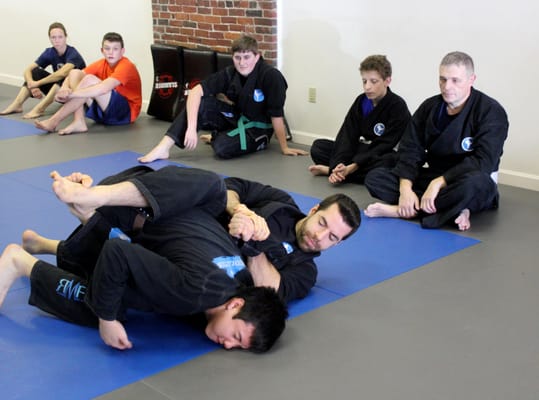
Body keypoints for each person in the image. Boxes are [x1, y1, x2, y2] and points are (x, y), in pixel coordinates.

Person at [0, 167, 288, 353]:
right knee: (110, 299)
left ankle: (44, 243)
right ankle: (19, 262)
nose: (227, 346)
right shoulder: (194, 291)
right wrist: (107, 318)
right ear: (236, 305)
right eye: (236, 337)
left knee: (141, 276)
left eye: (236, 346)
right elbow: (118, 252)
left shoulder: (241, 279)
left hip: (148, 196)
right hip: (129, 202)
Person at [31, 165, 361, 303]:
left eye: (333, 238)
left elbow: (271, 291)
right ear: (314, 210)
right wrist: (240, 210)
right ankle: (95, 199)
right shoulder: (283, 204)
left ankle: (87, 212)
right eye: (323, 225)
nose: (321, 238)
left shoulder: (306, 270)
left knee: (158, 203)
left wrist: (252, 241)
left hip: (199, 258)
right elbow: (235, 186)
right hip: (187, 217)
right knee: (206, 185)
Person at [364, 51, 509, 231]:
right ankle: (453, 209)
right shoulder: (430, 107)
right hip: (433, 176)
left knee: (478, 185)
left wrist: (439, 182)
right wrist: (406, 189)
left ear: (471, 80)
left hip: (466, 179)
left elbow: (484, 162)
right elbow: (411, 148)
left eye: (455, 80)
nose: (447, 86)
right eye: (442, 79)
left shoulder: (491, 111)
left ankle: (404, 211)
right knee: (375, 177)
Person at [138, 35, 308, 162]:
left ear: (257, 57)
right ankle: (163, 147)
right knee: (203, 104)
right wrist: (191, 128)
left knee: (222, 148)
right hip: (236, 118)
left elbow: (276, 115)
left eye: (247, 57)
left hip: (258, 129)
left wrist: (284, 147)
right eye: (237, 57)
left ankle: (217, 137)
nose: (242, 63)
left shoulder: (271, 76)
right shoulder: (230, 73)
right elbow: (196, 91)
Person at [309, 55, 411, 184]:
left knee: (390, 161)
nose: (367, 87)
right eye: (364, 81)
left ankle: (331, 171)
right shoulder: (361, 101)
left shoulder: (397, 106)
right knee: (318, 147)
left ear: (387, 81)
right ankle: (339, 171)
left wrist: (352, 166)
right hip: (363, 150)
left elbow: (384, 145)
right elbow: (347, 135)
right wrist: (339, 163)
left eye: (373, 81)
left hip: (381, 152)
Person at [35, 32, 142, 135]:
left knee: (90, 79)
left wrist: (71, 94)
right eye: (107, 48)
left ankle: (54, 121)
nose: (111, 52)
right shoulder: (102, 63)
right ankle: (79, 121)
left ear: (122, 51)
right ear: (102, 50)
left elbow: (103, 89)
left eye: (115, 49)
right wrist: (64, 88)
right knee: (74, 72)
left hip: (125, 114)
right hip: (105, 112)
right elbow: (73, 75)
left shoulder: (126, 66)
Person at [0, 22, 86, 119]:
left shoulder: (73, 53)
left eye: (60, 37)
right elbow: (28, 70)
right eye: (53, 37)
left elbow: (63, 73)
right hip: (59, 93)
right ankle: (17, 104)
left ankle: (40, 108)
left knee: (63, 76)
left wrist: (38, 83)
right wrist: (32, 85)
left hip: (74, 93)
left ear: (66, 37)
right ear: (49, 38)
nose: (57, 40)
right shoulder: (49, 52)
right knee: (35, 72)